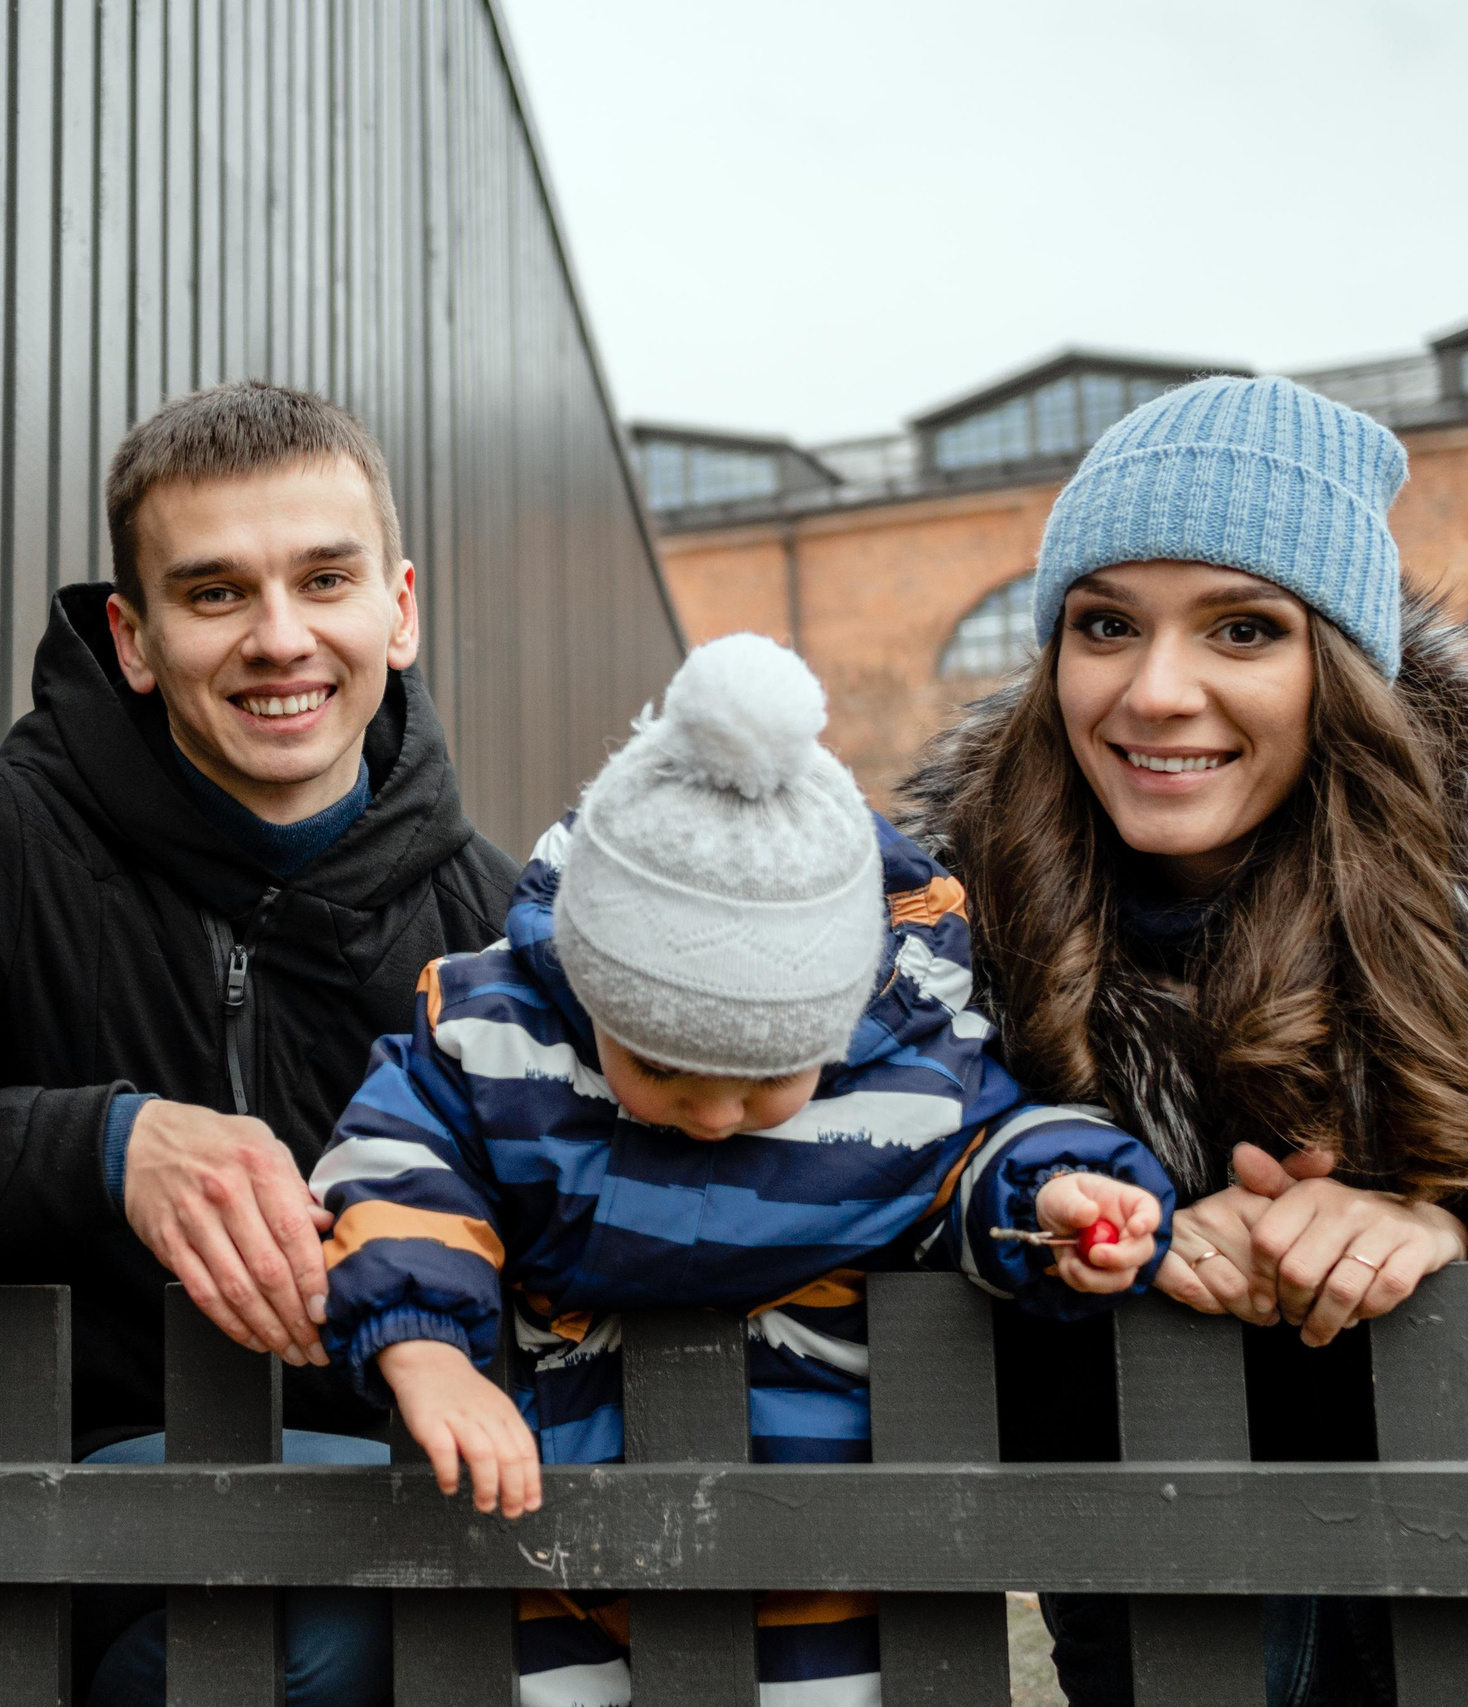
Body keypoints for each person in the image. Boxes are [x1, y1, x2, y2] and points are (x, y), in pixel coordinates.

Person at [896, 376, 1468, 1707]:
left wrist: (1462, 1241)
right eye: (1104, 624)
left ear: (1341, 667)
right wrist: (1105, 1258)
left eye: (1242, 628)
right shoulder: (943, 964)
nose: (1156, 689)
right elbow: (874, 1361)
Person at [0, 381, 520, 1704]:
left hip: (411, 1516)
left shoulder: (497, 921)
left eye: (325, 578)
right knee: (324, 1623)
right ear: (134, 635)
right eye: (217, 592)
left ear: (397, 608)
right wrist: (106, 1143)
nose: (282, 638)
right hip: (58, 1514)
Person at [311, 634, 1175, 1707]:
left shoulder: (903, 1072)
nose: (715, 1114)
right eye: (662, 1066)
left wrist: (1056, 1197)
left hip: (819, 1548)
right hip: (541, 1531)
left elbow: (984, 1148)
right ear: (587, 991)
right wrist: (423, 1346)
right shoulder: (503, 1048)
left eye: (772, 1078)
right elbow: (401, 1159)